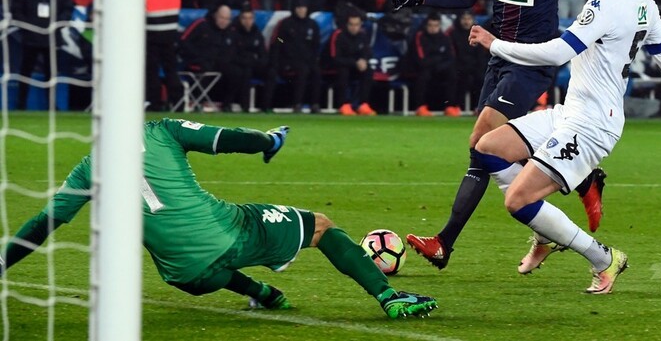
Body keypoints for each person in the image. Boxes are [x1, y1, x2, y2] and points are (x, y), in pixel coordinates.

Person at [467, 0, 661, 288]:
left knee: (517, 201)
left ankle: (604, 258)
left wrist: (495, 45)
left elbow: (558, 52)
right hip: (571, 113)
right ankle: (545, 231)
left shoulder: (604, 3)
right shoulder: (646, 6)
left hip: (591, 125)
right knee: (487, 147)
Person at [0, 119, 437, 319]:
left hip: (183, 275)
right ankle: (388, 296)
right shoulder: (160, 129)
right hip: (229, 234)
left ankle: (262, 293)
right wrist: (269, 141)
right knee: (320, 225)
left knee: (192, 261)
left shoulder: (85, 170)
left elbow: (42, 224)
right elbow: (231, 138)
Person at [388, 0, 603, 270]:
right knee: (484, 150)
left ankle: (445, 242)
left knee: (481, 140)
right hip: (499, 58)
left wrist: (607, 23)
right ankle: (580, 181)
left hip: (533, 62)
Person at [11, 0, 74, 110]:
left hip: (51, 37)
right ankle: (21, 104)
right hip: (31, 37)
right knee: (25, 72)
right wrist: (29, 27)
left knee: (51, 73)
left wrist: (57, 25)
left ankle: (52, 105)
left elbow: (67, 8)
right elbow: (16, 10)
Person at [267, 0, 322, 113]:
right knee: (303, 70)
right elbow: (278, 40)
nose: (301, 10)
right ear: (294, 9)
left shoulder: (312, 25)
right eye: (299, 8)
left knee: (316, 71)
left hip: (307, 61)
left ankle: (315, 104)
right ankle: (297, 104)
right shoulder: (286, 24)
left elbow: (316, 44)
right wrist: (284, 44)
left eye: (303, 8)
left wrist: (312, 58)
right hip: (288, 61)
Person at [326, 13, 376, 116]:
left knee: (368, 70)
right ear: (346, 24)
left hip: (355, 67)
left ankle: (363, 104)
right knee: (343, 71)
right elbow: (334, 58)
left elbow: (368, 52)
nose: (354, 27)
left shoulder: (362, 35)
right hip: (338, 66)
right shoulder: (338, 35)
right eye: (351, 24)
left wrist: (364, 60)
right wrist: (355, 63)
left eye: (357, 24)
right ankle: (344, 104)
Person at [410, 13, 458, 117]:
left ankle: (450, 106)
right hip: (423, 68)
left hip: (440, 68)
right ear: (426, 25)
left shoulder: (445, 37)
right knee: (423, 74)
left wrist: (439, 64)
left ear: (439, 26)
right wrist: (437, 61)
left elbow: (451, 57)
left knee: (452, 73)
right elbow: (420, 59)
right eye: (430, 25)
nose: (433, 28)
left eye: (435, 25)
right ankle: (420, 106)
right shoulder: (419, 36)